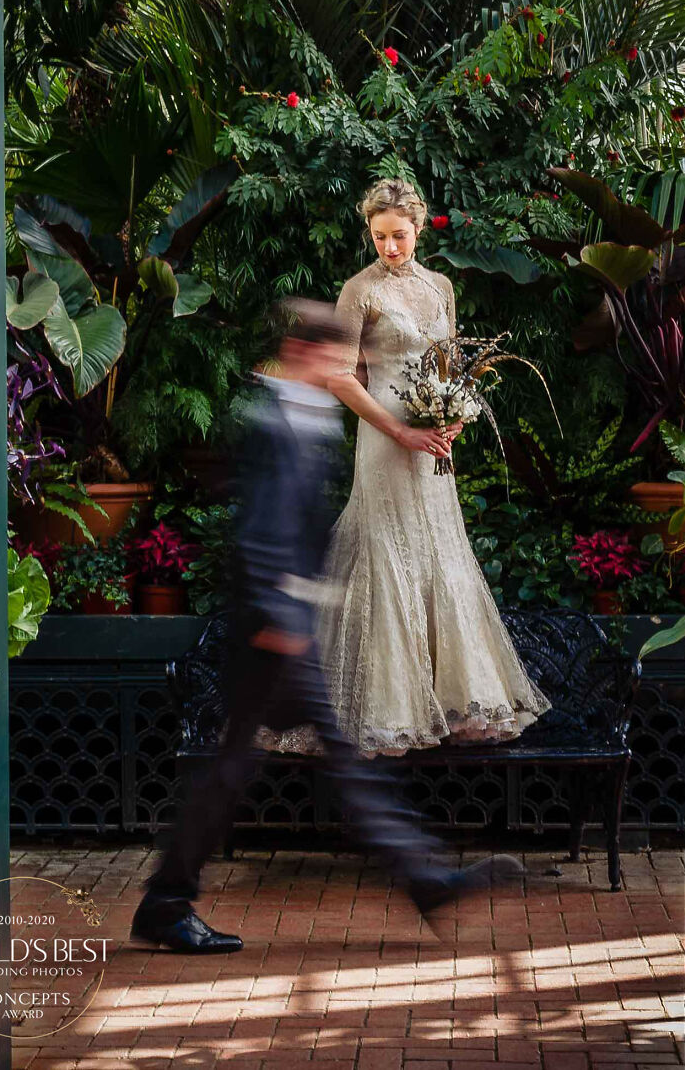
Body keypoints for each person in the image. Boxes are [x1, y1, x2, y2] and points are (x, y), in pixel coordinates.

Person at [131, 300, 521, 954]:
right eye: (338, 357)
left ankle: (169, 899)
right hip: (273, 630)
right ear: (308, 353)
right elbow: (258, 532)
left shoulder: (302, 415)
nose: (345, 369)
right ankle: (167, 901)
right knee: (277, 766)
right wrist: (283, 621)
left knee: (304, 763)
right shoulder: (271, 420)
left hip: (287, 623)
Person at [258, 180, 550, 759]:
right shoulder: (358, 291)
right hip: (387, 438)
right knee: (387, 551)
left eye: (398, 235)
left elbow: (450, 364)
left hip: (434, 442)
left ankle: (447, 700)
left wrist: (455, 417)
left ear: (418, 228)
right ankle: (391, 707)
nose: (389, 247)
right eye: (378, 236)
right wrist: (399, 430)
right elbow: (342, 375)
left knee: (440, 547)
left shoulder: (441, 286)